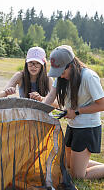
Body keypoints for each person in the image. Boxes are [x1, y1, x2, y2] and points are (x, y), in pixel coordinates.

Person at [40, 45, 104, 179]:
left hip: (88, 128)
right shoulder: (61, 77)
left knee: (77, 175)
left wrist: (77, 111)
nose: (61, 76)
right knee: (68, 165)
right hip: (73, 126)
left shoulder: (89, 77)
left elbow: (102, 104)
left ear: (71, 65)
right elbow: (51, 97)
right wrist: (37, 111)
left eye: (62, 72)